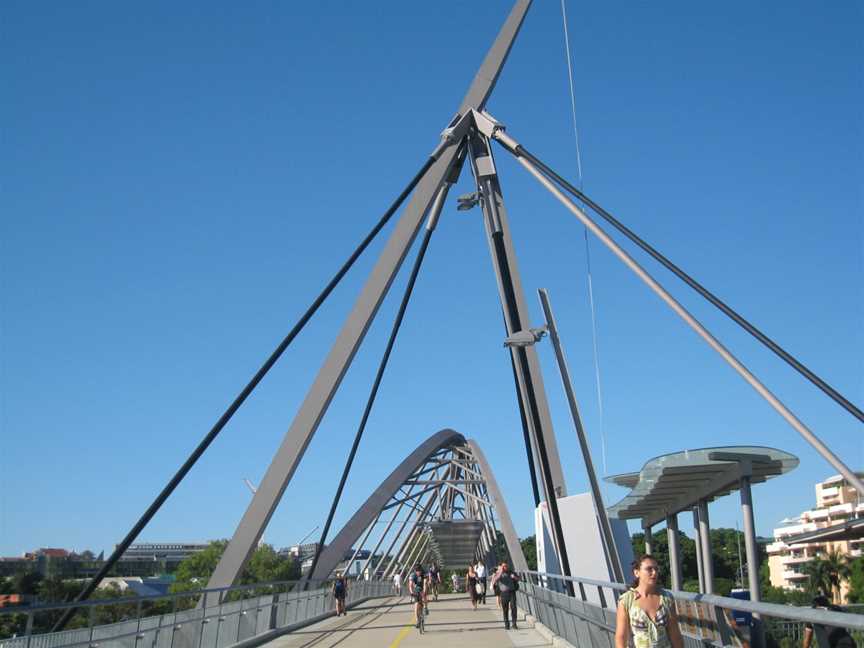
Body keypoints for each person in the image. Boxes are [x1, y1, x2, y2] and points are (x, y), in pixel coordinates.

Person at [615, 555, 684, 648]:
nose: (654, 573)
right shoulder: (626, 601)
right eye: (649, 569)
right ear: (637, 573)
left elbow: (675, 634)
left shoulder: (666, 598)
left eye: (656, 569)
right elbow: (621, 637)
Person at [490, 561, 520, 630]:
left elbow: (519, 578)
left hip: (512, 592)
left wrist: (514, 577)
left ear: (507, 566)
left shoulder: (511, 572)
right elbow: (494, 580)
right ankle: (507, 624)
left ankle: (514, 624)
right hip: (503, 593)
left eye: (505, 566)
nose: (504, 568)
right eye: (503, 566)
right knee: (505, 610)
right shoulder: (498, 573)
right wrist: (500, 572)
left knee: (513, 608)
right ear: (500, 567)